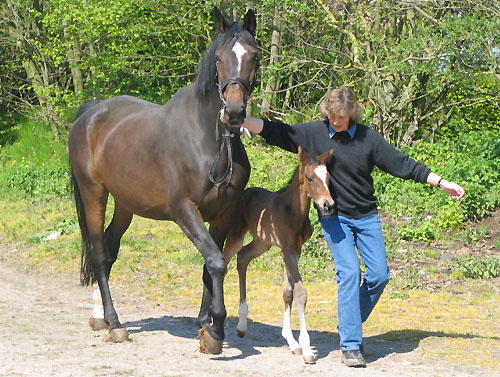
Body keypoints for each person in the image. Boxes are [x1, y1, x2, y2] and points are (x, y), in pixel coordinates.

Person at [222, 86, 465, 368]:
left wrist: (441, 182)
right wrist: (238, 119)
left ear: (352, 115)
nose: (336, 121)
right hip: (334, 218)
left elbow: (402, 164)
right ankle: (350, 345)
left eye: (342, 117)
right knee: (349, 273)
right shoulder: (315, 133)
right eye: (332, 116)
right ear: (326, 113)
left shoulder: (368, 139)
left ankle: (349, 322)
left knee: (379, 275)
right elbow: (276, 131)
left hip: (366, 217)